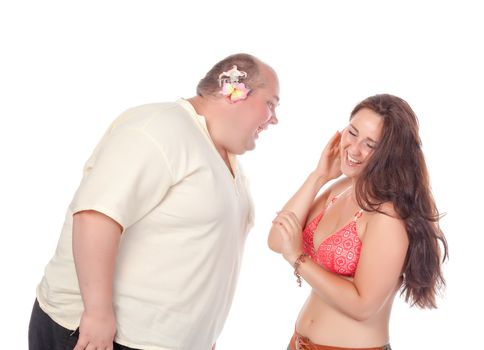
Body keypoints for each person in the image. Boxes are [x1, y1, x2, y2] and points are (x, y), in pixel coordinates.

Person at [29, 53, 280, 350]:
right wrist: (98, 315)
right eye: (271, 104)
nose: (274, 119)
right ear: (233, 88)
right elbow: (95, 217)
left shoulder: (224, 159)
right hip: (104, 337)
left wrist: (202, 336)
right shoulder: (159, 128)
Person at [268, 94, 447, 350]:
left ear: (390, 155)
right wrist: (319, 176)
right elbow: (276, 239)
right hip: (298, 343)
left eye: (370, 145)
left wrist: (298, 257)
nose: (353, 149)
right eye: (352, 133)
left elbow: (364, 305)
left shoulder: (387, 216)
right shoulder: (340, 189)